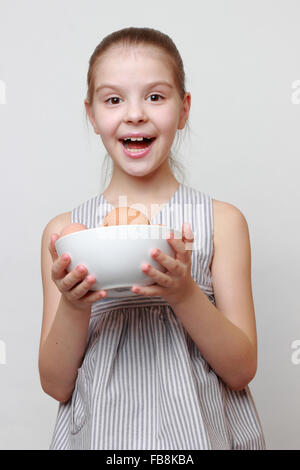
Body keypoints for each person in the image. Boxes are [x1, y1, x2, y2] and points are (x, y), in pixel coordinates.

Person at [39, 27, 266, 450]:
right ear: (92, 115)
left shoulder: (222, 223)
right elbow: (55, 384)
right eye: (113, 99)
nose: (135, 114)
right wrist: (73, 304)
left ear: (184, 110)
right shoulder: (65, 235)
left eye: (156, 97)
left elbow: (241, 370)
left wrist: (183, 293)